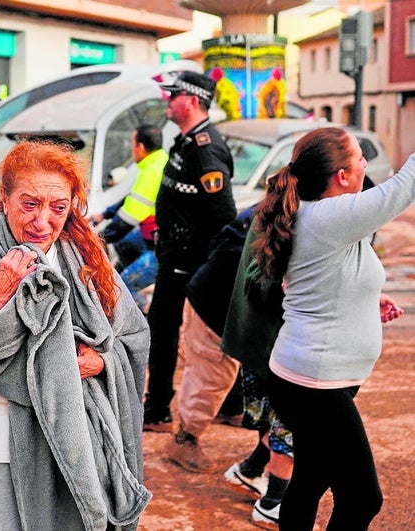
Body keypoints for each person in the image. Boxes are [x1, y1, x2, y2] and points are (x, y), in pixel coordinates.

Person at [0, 141, 151, 529]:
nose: (43, 221)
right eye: (30, 204)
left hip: (70, 448)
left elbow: (132, 336)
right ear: (4, 199)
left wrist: (103, 361)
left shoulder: (87, 264)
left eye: (58, 208)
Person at [250, 127, 414, 530]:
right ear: (341, 176)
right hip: (313, 382)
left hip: (312, 377)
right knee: (363, 498)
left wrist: (364, 299)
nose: (364, 164)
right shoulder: (331, 215)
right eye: (359, 158)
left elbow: (318, 279)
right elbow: (400, 191)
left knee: (310, 478)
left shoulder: (320, 216)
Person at [144, 71, 237, 432]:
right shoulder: (184, 143)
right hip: (176, 256)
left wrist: (209, 263)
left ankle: (157, 409)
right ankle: (232, 406)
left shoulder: (205, 149)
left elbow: (223, 216)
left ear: (192, 101)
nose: (167, 101)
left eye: (173, 96)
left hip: (190, 261)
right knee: (197, 330)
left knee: (166, 329)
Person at [164, 207, 253, 474]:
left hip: (221, 297)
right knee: (210, 375)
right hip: (213, 305)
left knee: (226, 367)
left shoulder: (275, 206)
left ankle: (229, 409)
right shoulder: (286, 213)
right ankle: (184, 438)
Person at [222, 210, 294, 531]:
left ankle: (250, 470)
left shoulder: (275, 209)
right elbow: (262, 281)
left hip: (260, 342)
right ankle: (272, 504)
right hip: (273, 345)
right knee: (289, 426)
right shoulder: (293, 218)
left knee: (280, 420)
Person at [91, 124, 168, 310]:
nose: (132, 149)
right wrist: (105, 214)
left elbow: (125, 222)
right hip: (153, 235)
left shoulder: (152, 172)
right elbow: (133, 199)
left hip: (162, 247)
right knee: (123, 246)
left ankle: (141, 313)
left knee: (120, 288)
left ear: (140, 147)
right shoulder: (159, 161)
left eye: (132, 144)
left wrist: (94, 240)